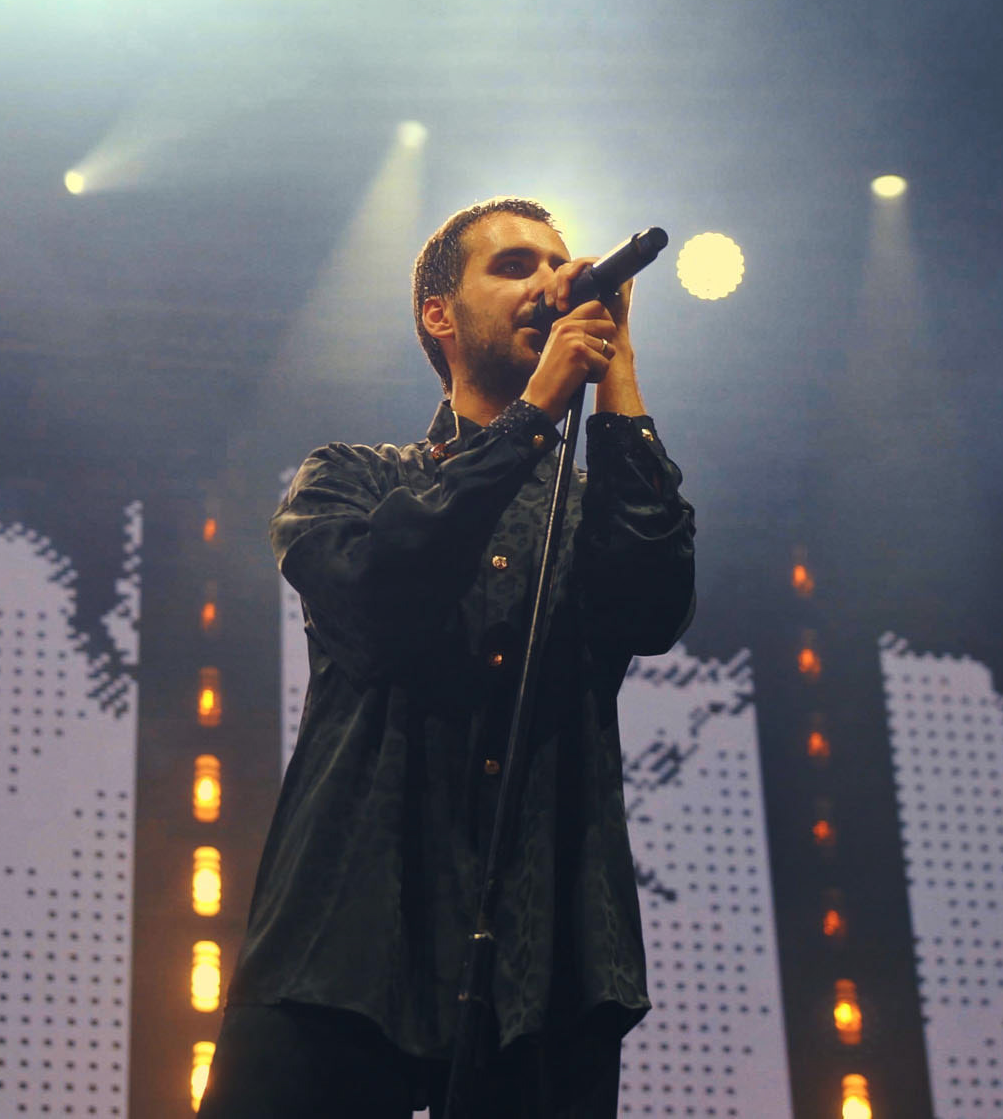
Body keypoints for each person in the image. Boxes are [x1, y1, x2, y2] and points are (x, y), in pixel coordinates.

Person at [200, 198, 697, 1118]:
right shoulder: (350, 478)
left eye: (556, 263)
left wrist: (618, 366)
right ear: (440, 313)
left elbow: (655, 607)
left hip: (546, 962)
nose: (548, 281)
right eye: (513, 266)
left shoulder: (590, 511)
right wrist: (536, 414)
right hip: (343, 946)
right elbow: (381, 601)